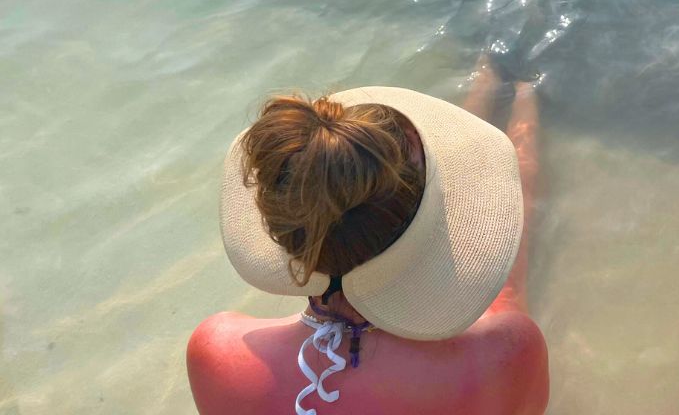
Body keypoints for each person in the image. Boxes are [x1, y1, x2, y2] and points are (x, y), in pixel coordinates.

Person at [187, 60, 549, 415]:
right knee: (505, 296)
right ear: (423, 223)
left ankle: (490, 72)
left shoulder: (217, 351)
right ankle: (523, 85)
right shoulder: (506, 351)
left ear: (283, 228)